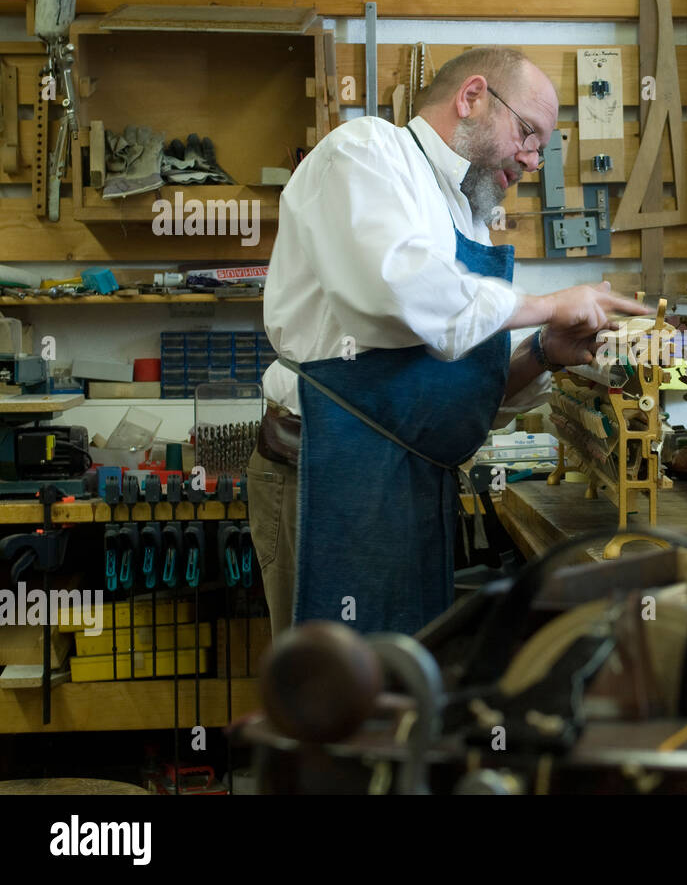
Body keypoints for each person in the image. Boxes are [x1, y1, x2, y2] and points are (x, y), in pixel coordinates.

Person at [247, 46, 648, 636]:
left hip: (407, 483)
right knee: (338, 695)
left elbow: (446, 389)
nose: (534, 161)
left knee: (403, 690)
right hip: (329, 477)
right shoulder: (365, 151)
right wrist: (544, 305)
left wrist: (542, 352)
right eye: (530, 135)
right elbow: (396, 294)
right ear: (472, 97)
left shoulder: (466, 213)